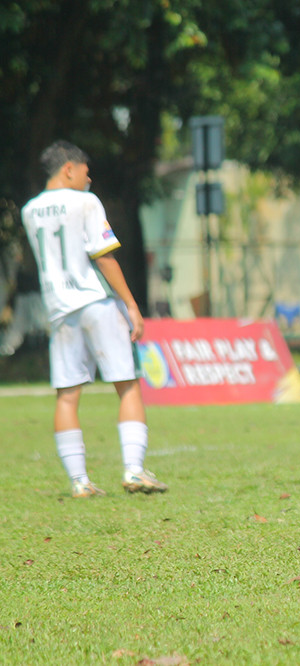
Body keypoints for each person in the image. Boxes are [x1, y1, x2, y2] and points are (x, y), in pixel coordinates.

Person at [21, 140, 168, 498]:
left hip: (59, 309)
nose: (89, 177)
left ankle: (79, 482)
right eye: (85, 170)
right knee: (127, 384)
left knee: (67, 396)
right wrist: (131, 304)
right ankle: (133, 470)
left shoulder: (29, 210)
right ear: (68, 168)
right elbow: (103, 256)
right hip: (94, 301)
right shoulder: (86, 202)